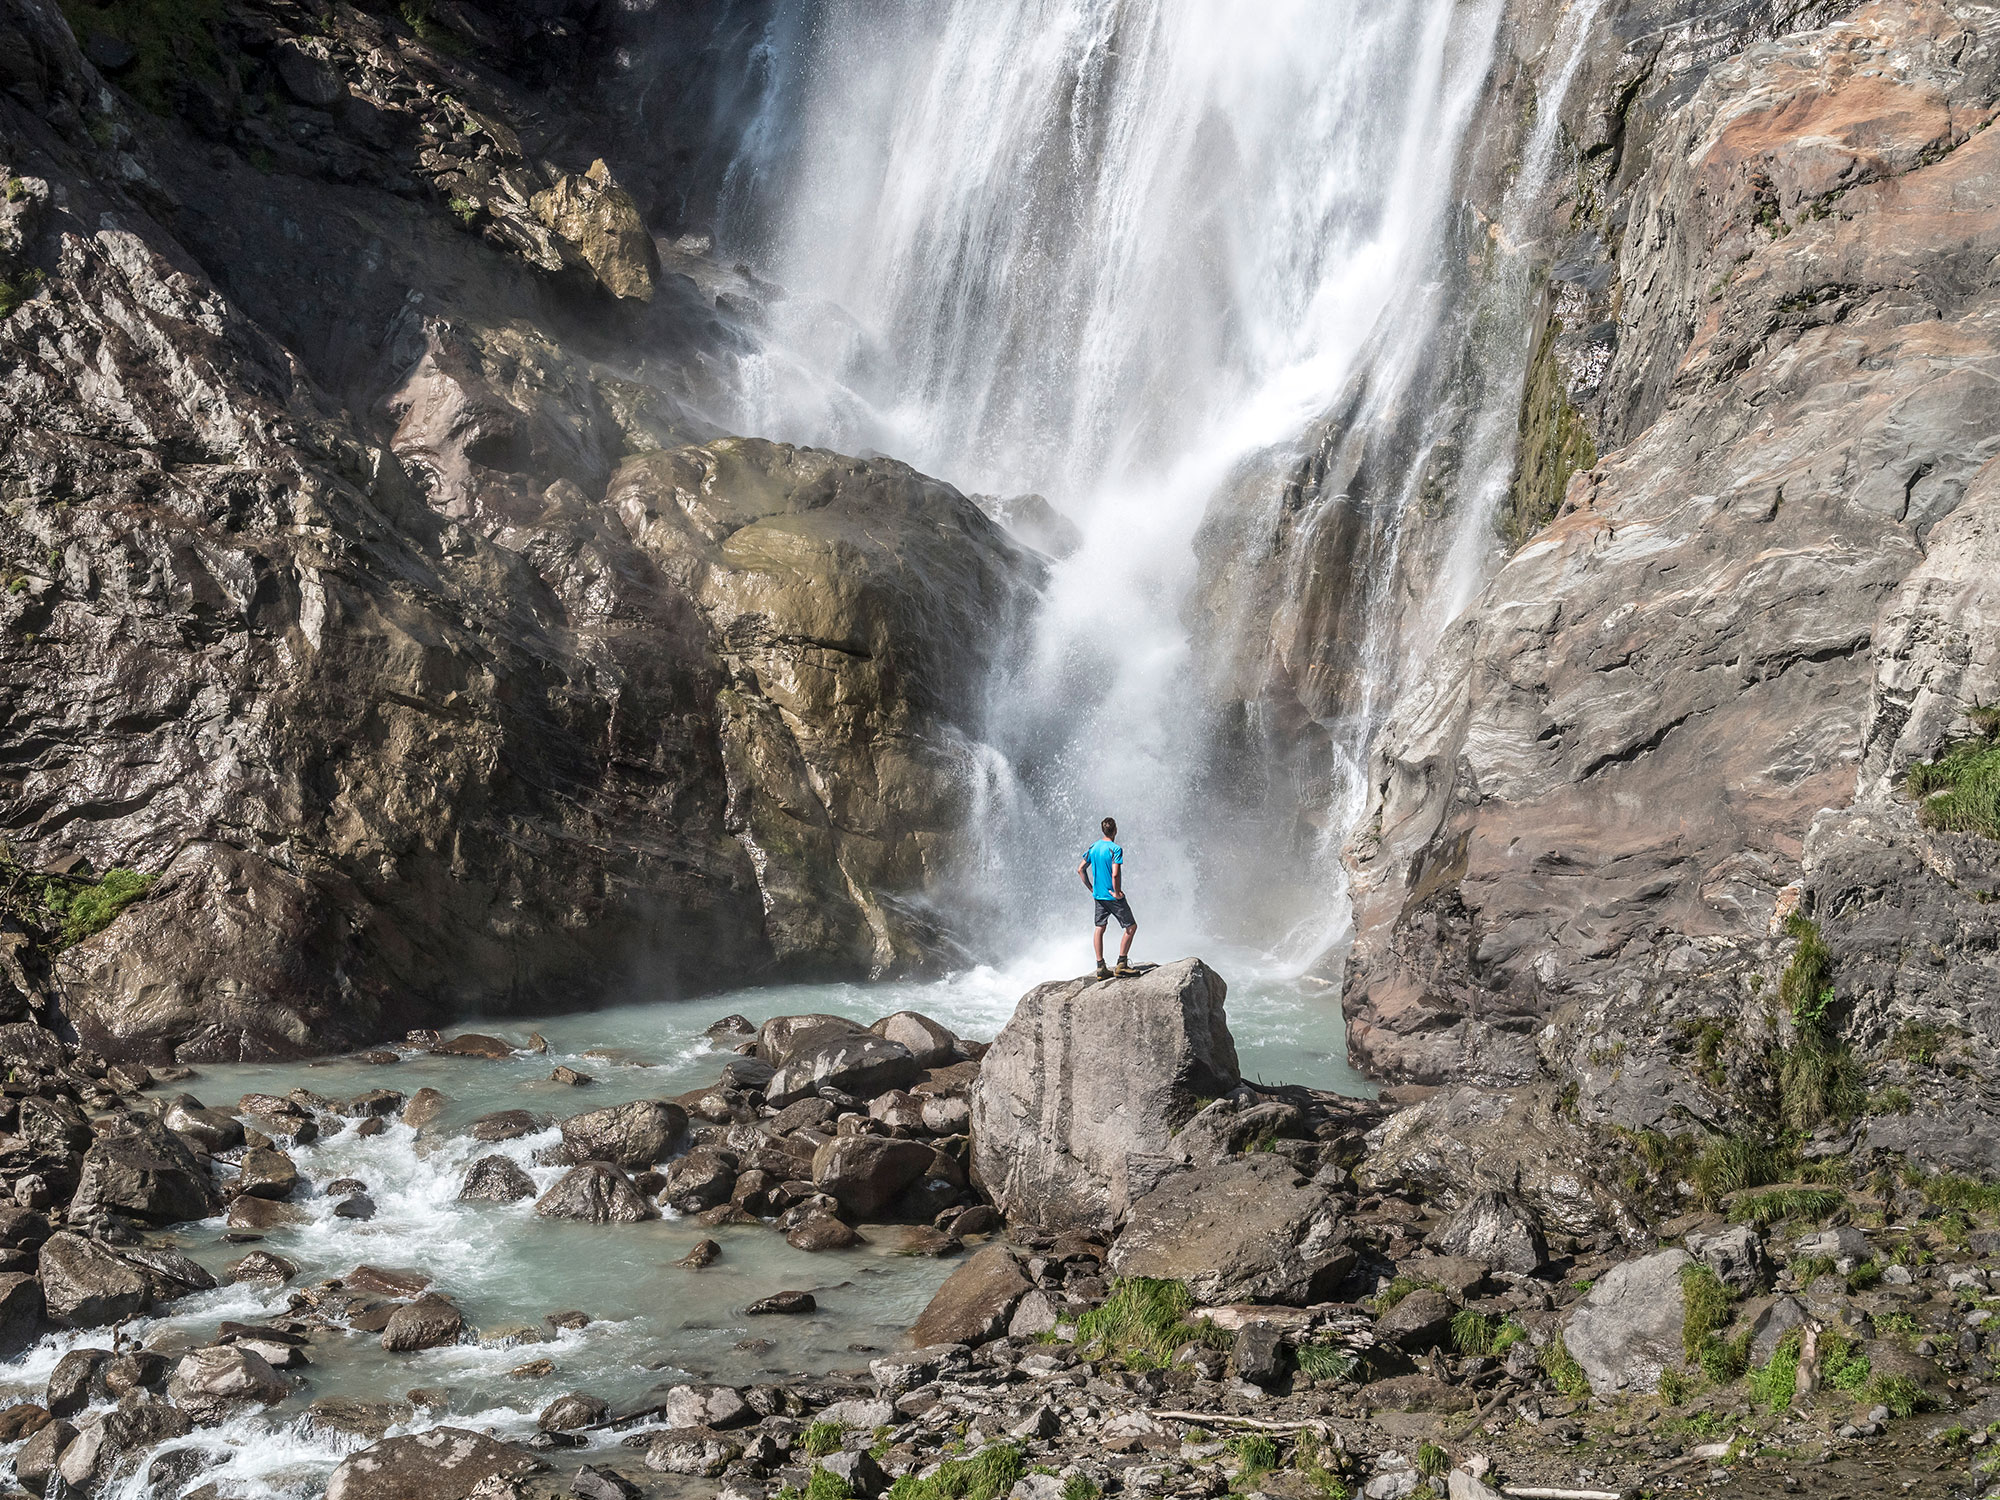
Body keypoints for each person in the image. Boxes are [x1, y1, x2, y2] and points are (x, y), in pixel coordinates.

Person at [1077, 816, 1137, 980]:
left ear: (1103, 830)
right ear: (1115, 830)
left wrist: (1091, 888)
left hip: (1099, 896)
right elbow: (1115, 874)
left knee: (1099, 928)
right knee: (1131, 927)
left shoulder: (1093, 847)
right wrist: (1117, 892)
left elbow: (1080, 869)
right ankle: (1121, 964)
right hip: (1112, 897)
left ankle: (1100, 966)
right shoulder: (1115, 849)